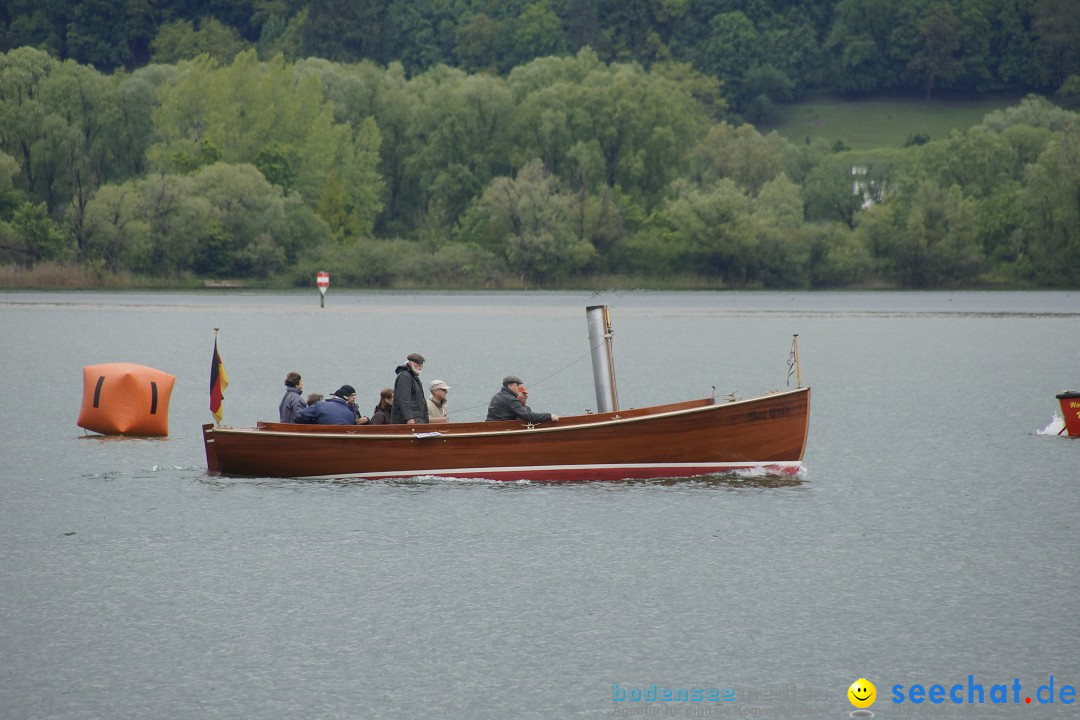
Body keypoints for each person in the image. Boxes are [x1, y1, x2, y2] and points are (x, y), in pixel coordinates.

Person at [486, 375, 559, 423]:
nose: (518, 387)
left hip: (490, 426)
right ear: (510, 386)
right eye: (517, 385)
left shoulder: (496, 396)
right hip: (502, 429)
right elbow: (527, 415)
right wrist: (549, 415)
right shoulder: (510, 399)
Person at [391, 353, 429, 424]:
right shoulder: (405, 376)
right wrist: (409, 418)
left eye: (421, 364)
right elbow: (403, 399)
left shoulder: (413, 377)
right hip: (410, 421)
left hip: (418, 419)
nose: (420, 366)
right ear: (410, 363)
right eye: (417, 363)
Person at [297, 385, 364, 425]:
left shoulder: (321, 405)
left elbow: (302, 415)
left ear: (334, 397)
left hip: (321, 438)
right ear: (346, 399)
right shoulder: (351, 414)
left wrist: (313, 424)